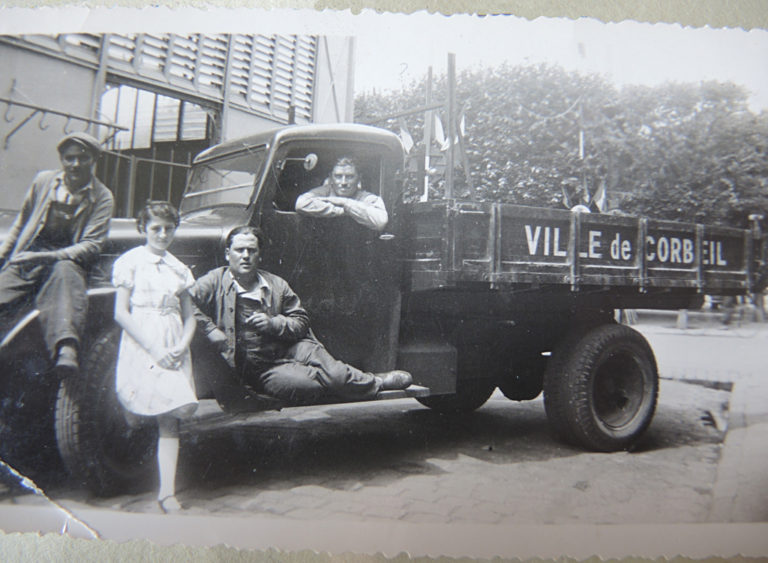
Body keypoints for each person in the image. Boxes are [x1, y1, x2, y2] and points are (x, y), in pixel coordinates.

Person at [190, 225, 412, 405]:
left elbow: (301, 321)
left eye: (252, 250)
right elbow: (183, 301)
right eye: (239, 250)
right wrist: (210, 330)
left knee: (334, 375)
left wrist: (273, 323)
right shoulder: (215, 280)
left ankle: (375, 381)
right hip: (261, 367)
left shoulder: (276, 283)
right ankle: (359, 382)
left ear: (260, 254)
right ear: (228, 254)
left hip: (293, 346)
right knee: (307, 386)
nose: (246, 256)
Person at [0, 132, 114, 375]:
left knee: (66, 282)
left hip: (67, 263)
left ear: (93, 160)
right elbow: (22, 222)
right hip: (28, 259)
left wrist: (48, 257)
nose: (75, 164)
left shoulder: (103, 197)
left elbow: (91, 245)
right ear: (61, 159)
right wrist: (4, 255)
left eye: (83, 158)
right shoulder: (43, 182)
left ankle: (66, 348)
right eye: (69, 158)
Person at [112, 201, 197, 514]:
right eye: (155, 228)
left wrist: (180, 346)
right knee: (135, 410)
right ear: (142, 229)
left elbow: (190, 318)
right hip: (142, 342)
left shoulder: (178, 268)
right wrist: (154, 348)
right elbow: (120, 312)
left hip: (173, 342)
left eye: (168, 228)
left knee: (169, 418)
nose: (162, 234)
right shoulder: (130, 262)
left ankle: (167, 493)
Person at [295, 157, 388, 231]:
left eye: (349, 177)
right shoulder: (324, 191)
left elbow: (381, 221)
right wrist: (343, 211)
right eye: (338, 176)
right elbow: (301, 204)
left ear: (359, 178)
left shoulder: (367, 198)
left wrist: (345, 202)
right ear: (331, 178)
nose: (343, 182)